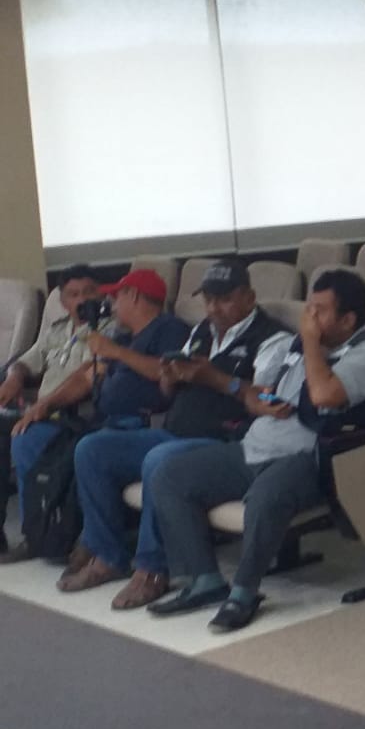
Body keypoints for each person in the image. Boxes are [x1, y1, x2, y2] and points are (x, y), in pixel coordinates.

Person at [146, 269, 365, 633]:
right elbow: (262, 391)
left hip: (312, 457)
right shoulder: (300, 344)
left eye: (320, 311)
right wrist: (258, 399)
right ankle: (205, 579)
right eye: (309, 308)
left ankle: (244, 593)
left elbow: (324, 395)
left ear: (347, 320)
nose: (309, 317)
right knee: (168, 476)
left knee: (264, 498)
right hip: (254, 445)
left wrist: (310, 342)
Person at [60, 259, 289, 605]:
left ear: (249, 297)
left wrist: (215, 378)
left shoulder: (273, 338)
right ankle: (108, 555)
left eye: (224, 299)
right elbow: (169, 392)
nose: (214, 308)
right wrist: (170, 378)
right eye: (209, 299)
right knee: (92, 449)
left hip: (226, 441)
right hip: (175, 431)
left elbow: (267, 400)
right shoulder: (201, 332)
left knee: (159, 459)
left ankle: (153, 569)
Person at [5, 269, 189, 565]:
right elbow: (87, 377)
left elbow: (168, 371)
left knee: (89, 448)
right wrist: (45, 405)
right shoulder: (123, 335)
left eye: (117, 296)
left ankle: (96, 546)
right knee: (27, 436)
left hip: (141, 425)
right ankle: (39, 533)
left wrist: (116, 352)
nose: (111, 302)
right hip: (102, 421)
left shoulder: (169, 329)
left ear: (134, 296)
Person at [0, 265, 97, 554]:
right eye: (74, 294)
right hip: (41, 410)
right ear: (63, 301)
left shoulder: (107, 329)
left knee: (23, 437)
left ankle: (35, 534)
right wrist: (15, 378)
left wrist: (43, 405)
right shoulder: (58, 330)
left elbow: (88, 376)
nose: (82, 300)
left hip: (73, 415)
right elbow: (25, 361)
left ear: (101, 293)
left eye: (89, 292)